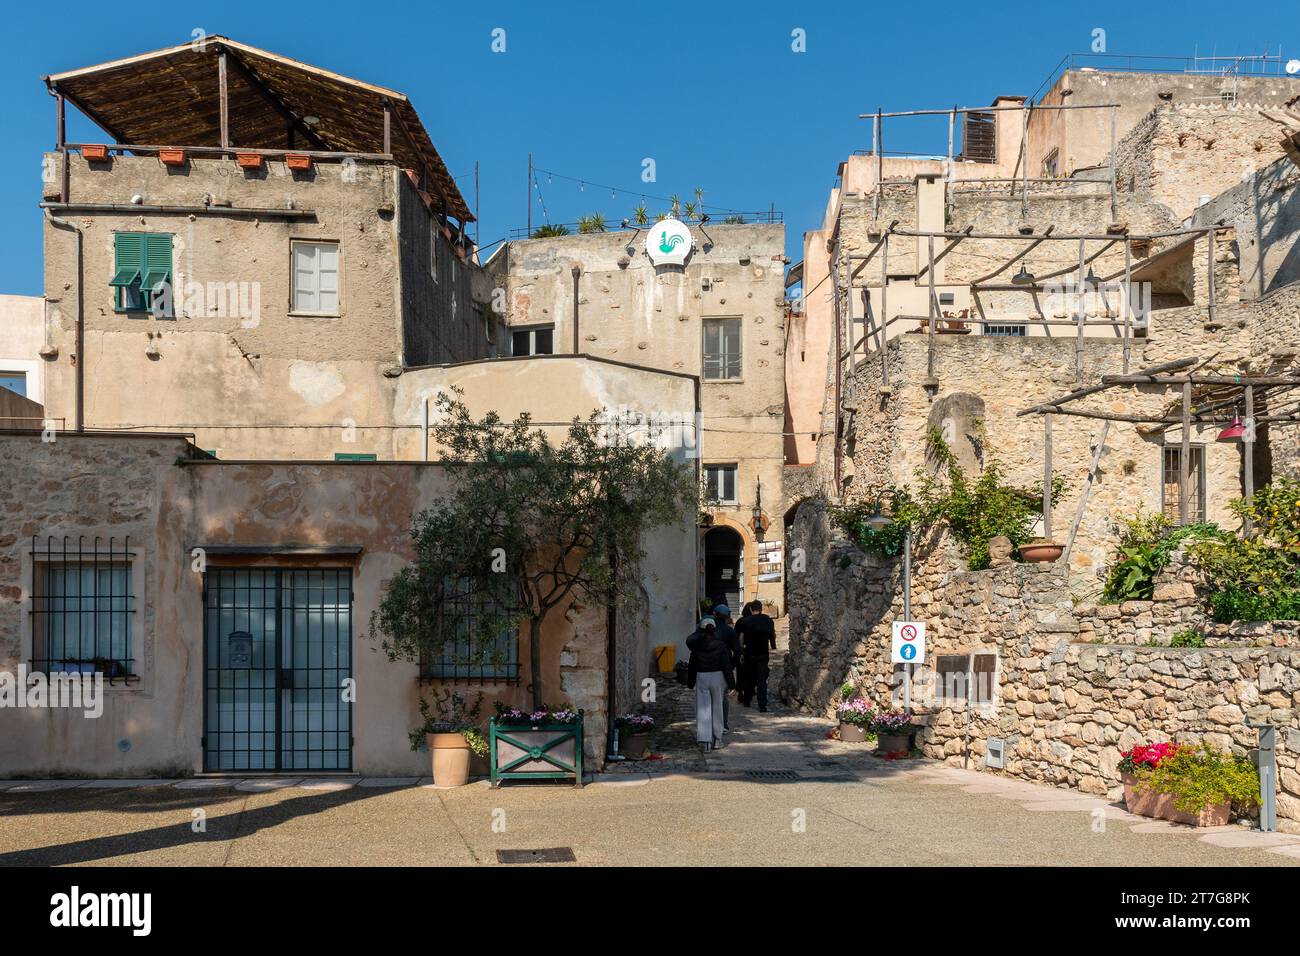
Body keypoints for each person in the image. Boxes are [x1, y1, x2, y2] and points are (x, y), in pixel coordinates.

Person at [686, 617, 733, 751]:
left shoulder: (696, 646)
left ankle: (705, 740)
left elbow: (692, 665)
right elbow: (726, 665)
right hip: (718, 677)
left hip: (702, 676)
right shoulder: (721, 645)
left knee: (703, 708)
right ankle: (717, 739)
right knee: (717, 707)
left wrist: (690, 683)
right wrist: (732, 684)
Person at [735, 599, 777, 711]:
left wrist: (742, 650)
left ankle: (747, 701)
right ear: (761, 608)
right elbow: (772, 634)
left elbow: (741, 638)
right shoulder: (767, 619)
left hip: (750, 653)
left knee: (749, 677)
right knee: (761, 679)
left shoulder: (745, 621)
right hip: (763, 653)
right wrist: (773, 646)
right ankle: (762, 705)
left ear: (750, 609)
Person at [711, 603, 740, 731]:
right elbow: (738, 651)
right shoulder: (730, 631)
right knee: (722, 697)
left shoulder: (707, 629)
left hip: (707, 667)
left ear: (714, 615)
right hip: (724, 667)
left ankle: (709, 723)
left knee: (708, 696)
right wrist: (731, 664)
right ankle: (723, 724)